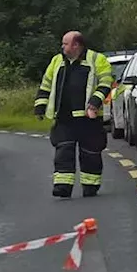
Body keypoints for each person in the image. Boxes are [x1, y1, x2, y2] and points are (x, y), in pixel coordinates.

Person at [34, 30, 114, 198]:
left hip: (88, 118)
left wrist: (94, 102)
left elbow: (106, 82)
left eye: (65, 43)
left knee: (90, 153)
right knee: (63, 151)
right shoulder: (56, 61)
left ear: (76, 45)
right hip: (64, 117)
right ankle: (62, 186)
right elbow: (46, 84)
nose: (62, 46)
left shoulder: (97, 60)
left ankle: (90, 186)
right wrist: (40, 106)